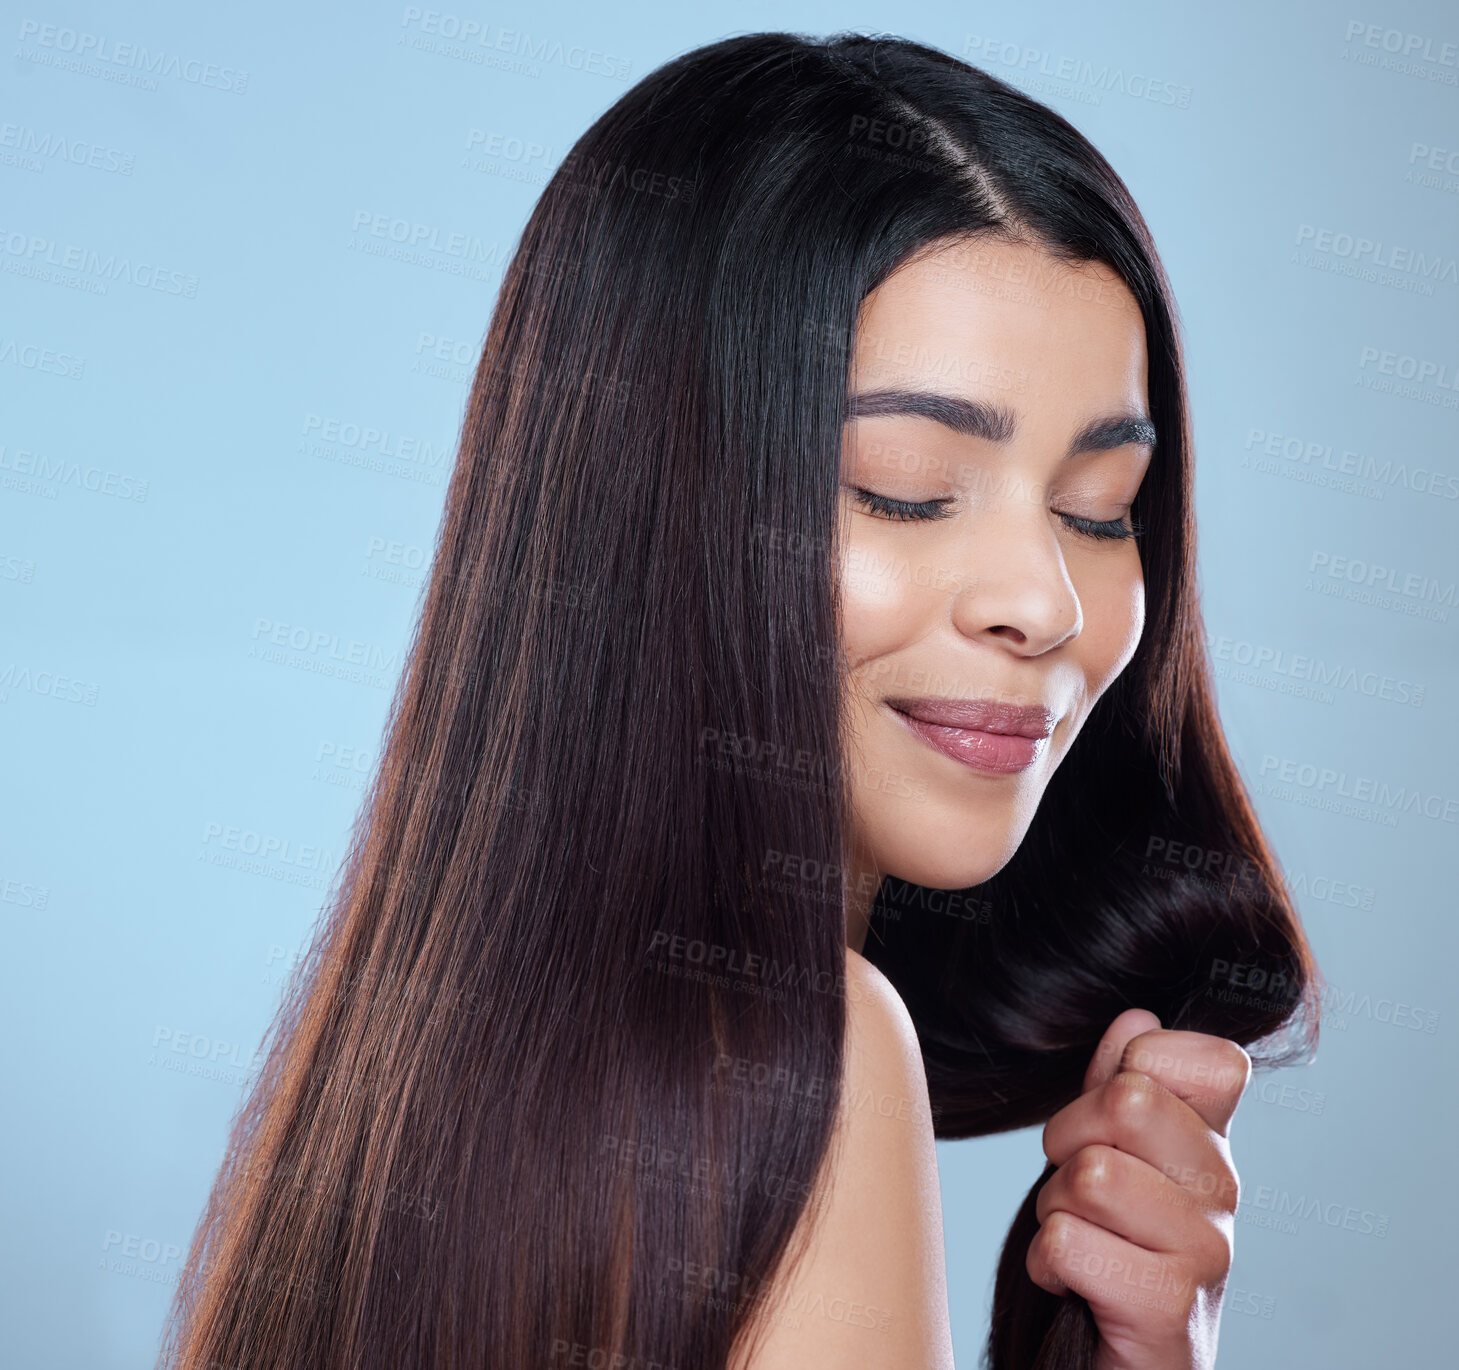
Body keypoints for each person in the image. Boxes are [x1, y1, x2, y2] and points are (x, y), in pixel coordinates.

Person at [159, 30, 1321, 1370]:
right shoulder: (809, 1074)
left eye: (1096, 507)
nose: (1045, 600)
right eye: (904, 486)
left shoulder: (397, 1069)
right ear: (658, 508)